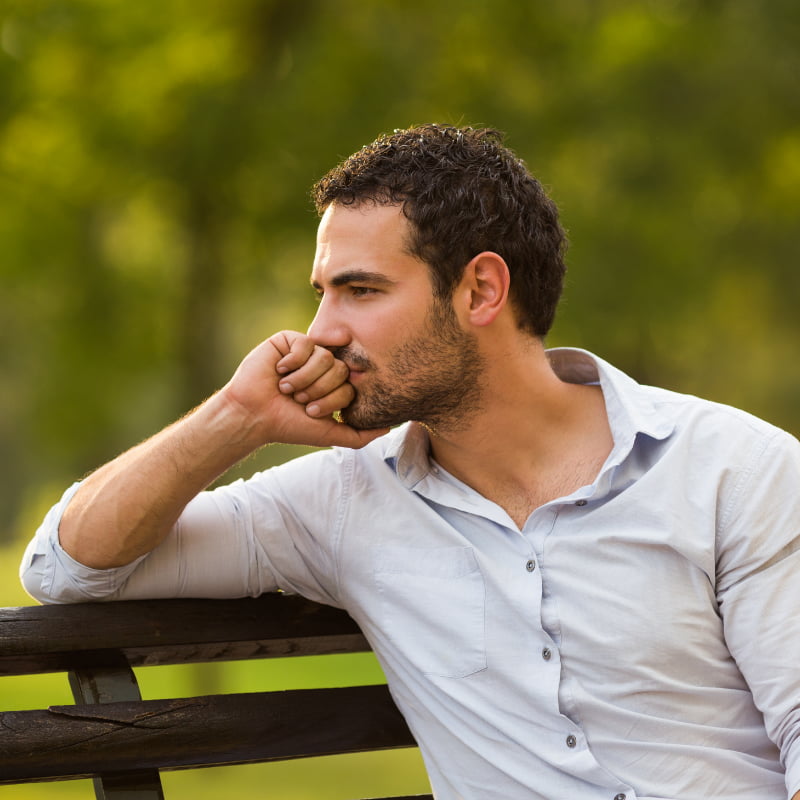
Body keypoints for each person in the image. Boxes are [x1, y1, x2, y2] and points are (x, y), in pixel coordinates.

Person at [20, 124, 800, 800]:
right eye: (322, 293)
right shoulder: (338, 503)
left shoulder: (735, 471)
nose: (320, 331)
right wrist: (237, 418)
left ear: (481, 291)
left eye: (360, 291)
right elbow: (69, 566)